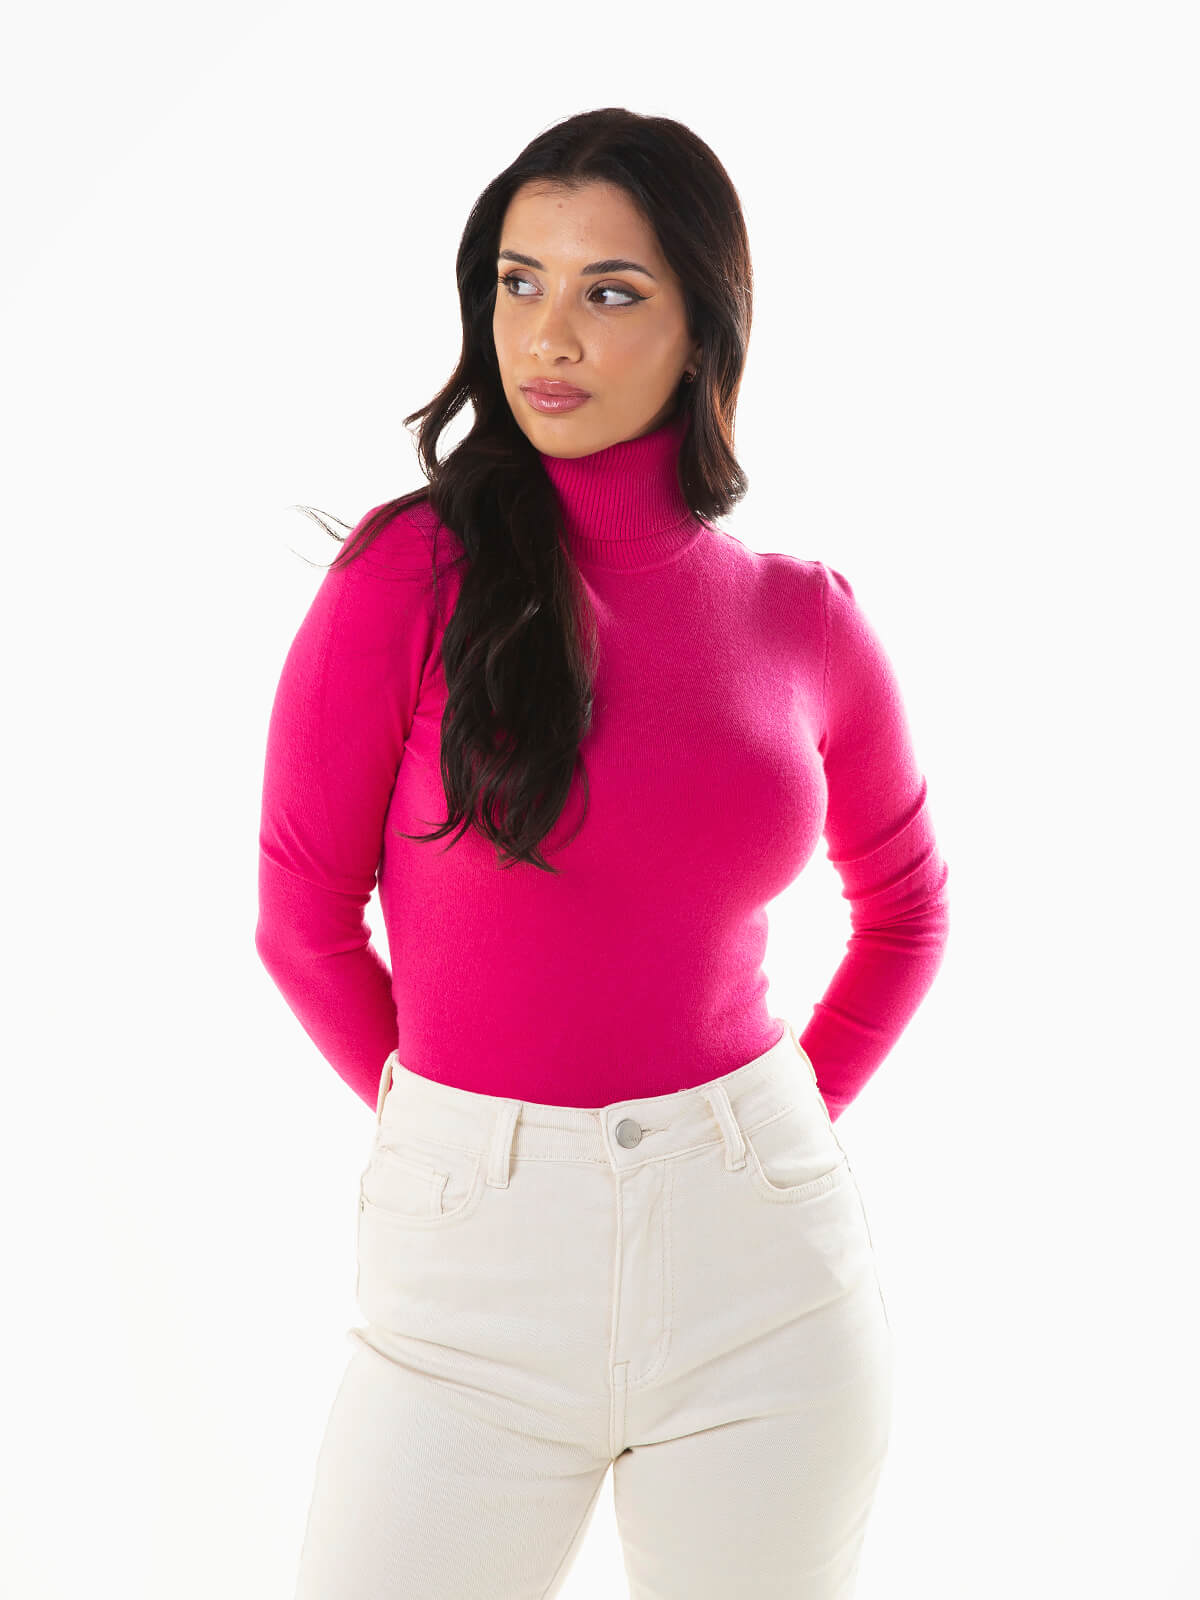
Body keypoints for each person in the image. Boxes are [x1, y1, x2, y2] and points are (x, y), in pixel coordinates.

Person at [256, 106, 950, 1600]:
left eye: (609, 291)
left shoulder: (804, 617)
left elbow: (907, 911)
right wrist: (455, 1142)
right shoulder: (405, 576)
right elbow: (300, 920)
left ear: (705, 327)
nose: (547, 336)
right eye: (519, 283)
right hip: (468, 1289)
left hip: (765, 1287)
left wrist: (765, 1138)